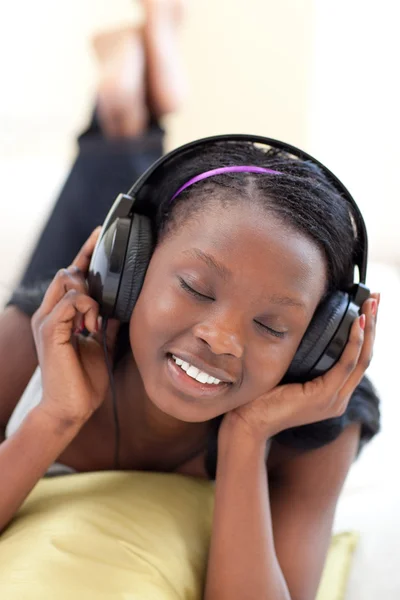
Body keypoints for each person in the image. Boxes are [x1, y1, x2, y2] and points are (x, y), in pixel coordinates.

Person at [0, 138, 380, 599]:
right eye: (196, 289)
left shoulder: (318, 434)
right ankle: (121, 124)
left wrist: (246, 438)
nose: (221, 339)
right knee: (104, 166)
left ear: (315, 344)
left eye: (270, 325)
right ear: (130, 268)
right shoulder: (23, 344)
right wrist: (56, 416)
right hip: (94, 326)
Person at [0, 0, 186, 419]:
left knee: (57, 295)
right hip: (52, 343)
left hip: (34, 320)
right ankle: (129, 91)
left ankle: (124, 95)